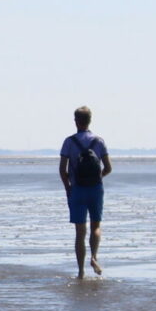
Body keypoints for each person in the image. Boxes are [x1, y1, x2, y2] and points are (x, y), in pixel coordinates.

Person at [58, 107, 111, 276]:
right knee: (96, 225)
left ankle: (81, 271)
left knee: (80, 232)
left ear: (76, 121)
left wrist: (68, 188)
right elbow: (108, 168)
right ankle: (94, 257)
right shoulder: (99, 141)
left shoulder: (69, 142)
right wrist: (98, 177)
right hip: (95, 189)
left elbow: (62, 170)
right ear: (90, 120)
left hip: (77, 190)